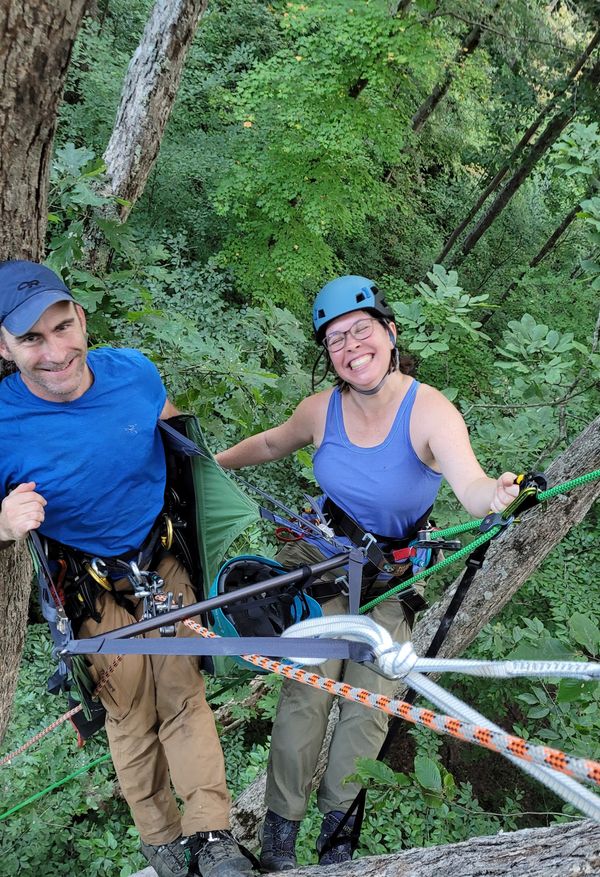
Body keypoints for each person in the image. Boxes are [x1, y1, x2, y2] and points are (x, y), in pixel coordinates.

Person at [216, 275, 520, 869]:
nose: (352, 347)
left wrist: (498, 495)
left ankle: (338, 826)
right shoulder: (321, 410)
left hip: (393, 578)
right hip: (326, 560)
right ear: (328, 356)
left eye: (361, 330)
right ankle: (281, 827)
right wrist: (209, 462)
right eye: (335, 340)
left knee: (369, 704)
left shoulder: (428, 410)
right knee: (308, 688)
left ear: (390, 331)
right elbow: (274, 443)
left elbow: (472, 484)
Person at [0, 260, 254, 877]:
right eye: (31, 339)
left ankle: (212, 835)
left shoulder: (134, 372)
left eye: (62, 328)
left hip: (159, 557)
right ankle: (162, 842)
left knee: (183, 694)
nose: (55, 352)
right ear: (3, 347)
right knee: (130, 710)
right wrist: (4, 523)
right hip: (88, 587)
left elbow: (165, 427)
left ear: (81, 319)